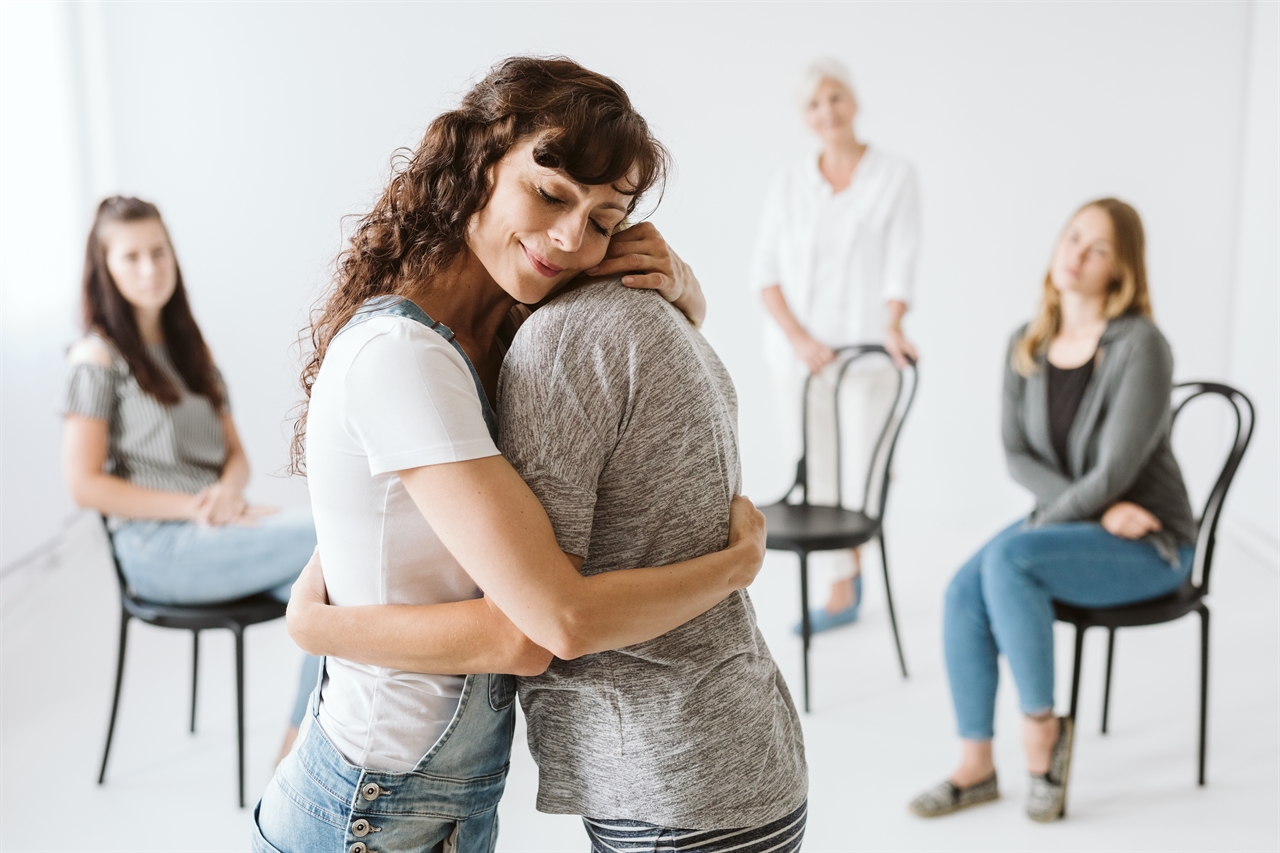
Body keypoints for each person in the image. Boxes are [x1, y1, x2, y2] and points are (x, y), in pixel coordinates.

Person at [253, 57, 775, 853]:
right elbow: (543, 625)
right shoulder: (403, 355)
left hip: (440, 796)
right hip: (370, 806)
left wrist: (687, 289)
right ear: (480, 166)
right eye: (549, 192)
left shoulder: (494, 336)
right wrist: (735, 567)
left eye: (604, 220)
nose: (571, 238)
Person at [908, 198, 1197, 822]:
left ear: (1120, 269)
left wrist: (1077, 513)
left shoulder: (1142, 345)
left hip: (1152, 539)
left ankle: (1042, 735)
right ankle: (976, 765)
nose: (1077, 254)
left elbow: (1116, 471)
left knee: (1009, 558)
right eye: (1072, 237)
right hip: (1085, 521)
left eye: (1098, 248)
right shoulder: (1028, 341)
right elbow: (1017, 455)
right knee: (964, 588)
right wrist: (1090, 513)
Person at [61, 196, 320, 754]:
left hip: (217, 530)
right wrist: (196, 508)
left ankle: (299, 751)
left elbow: (237, 457)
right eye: (130, 257)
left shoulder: (191, 349)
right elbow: (84, 485)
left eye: (158, 252)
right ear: (103, 269)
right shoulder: (97, 357)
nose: (150, 268)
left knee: (343, 591)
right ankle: (298, 758)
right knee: (333, 538)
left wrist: (225, 494)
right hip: (160, 548)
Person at [751, 57, 921, 633]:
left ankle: (856, 563)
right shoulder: (790, 184)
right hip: (800, 357)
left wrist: (893, 325)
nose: (828, 111)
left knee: (862, 470)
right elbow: (766, 273)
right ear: (805, 116)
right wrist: (800, 341)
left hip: (867, 355)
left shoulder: (894, 175)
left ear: (853, 101)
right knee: (817, 470)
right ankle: (841, 586)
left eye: (836, 98)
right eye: (815, 104)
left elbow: (901, 262)